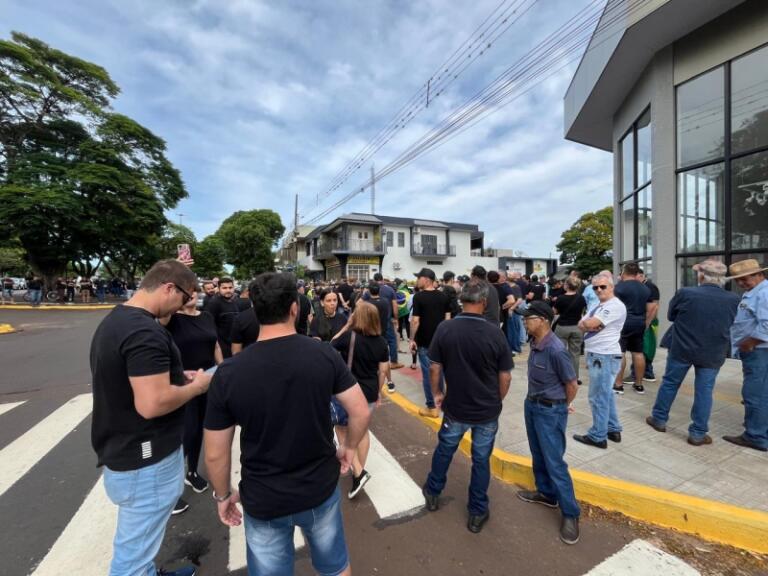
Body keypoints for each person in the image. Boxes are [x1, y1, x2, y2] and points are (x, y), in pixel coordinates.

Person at [203, 272, 370, 576]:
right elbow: (360, 411)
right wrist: (348, 448)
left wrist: (222, 496)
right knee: (335, 568)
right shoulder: (323, 354)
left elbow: (215, 452)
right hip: (318, 487)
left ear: (254, 309)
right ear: (295, 308)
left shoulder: (228, 373)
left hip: (263, 496)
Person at [90, 259, 211, 576]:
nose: (185, 306)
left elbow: (137, 384)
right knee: (131, 558)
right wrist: (196, 387)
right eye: (185, 298)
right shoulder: (145, 332)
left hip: (128, 452)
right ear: (170, 288)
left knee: (139, 544)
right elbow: (152, 403)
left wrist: (175, 377)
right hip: (145, 460)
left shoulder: (118, 321)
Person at [422, 279, 512, 534]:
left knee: (445, 450)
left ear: (463, 300)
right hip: (486, 410)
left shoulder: (446, 328)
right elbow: (505, 376)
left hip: (456, 407)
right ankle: (477, 510)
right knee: (481, 460)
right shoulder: (495, 332)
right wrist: (497, 399)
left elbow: (434, 366)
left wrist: (438, 393)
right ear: (484, 302)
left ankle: (433, 491)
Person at [645, 260, 739, 446]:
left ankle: (659, 419)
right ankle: (697, 433)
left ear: (702, 275)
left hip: (682, 348)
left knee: (670, 383)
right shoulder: (734, 298)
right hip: (713, 351)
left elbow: (671, 316)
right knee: (704, 391)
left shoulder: (686, 293)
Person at [516, 301, 581, 545]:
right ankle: (546, 493)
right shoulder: (535, 343)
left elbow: (571, 384)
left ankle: (571, 513)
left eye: (528, 318)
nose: (524, 321)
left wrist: (563, 405)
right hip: (531, 405)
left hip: (550, 410)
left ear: (543, 319)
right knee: (538, 454)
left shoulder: (555, 349)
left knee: (555, 462)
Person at [163, 287, 224, 514]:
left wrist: (223, 371)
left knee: (201, 429)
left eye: (193, 291)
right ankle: (171, 490)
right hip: (184, 381)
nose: (191, 295)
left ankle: (192, 472)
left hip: (209, 377)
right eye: (185, 291)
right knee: (185, 432)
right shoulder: (172, 319)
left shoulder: (206, 316)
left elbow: (215, 344)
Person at [331, 301, 391, 498]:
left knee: (341, 428)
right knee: (363, 431)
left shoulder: (349, 337)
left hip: (349, 391)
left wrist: (347, 326)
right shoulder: (382, 342)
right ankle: (359, 470)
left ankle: (357, 471)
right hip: (371, 391)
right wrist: (378, 392)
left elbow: (331, 344)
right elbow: (383, 371)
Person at [573, 274, 626, 449]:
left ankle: (598, 436)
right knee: (606, 394)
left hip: (604, 355)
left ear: (611, 287)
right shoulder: (599, 305)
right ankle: (612, 428)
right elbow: (582, 322)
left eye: (602, 287)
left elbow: (590, 323)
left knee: (598, 397)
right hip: (598, 355)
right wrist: (588, 324)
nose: (598, 290)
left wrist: (589, 324)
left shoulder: (615, 306)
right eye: (595, 287)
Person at [724, 259, 768, 452]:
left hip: (758, 351)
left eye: (744, 279)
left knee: (754, 394)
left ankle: (755, 435)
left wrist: (749, 343)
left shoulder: (764, 293)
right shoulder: (754, 292)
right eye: (738, 280)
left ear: (759, 275)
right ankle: (760, 429)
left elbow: (767, 324)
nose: (741, 283)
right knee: (761, 393)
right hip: (757, 351)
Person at [409, 268, 451, 418]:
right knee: (441, 373)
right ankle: (443, 402)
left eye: (418, 277)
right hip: (442, 341)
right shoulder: (444, 296)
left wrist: (412, 339)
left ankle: (432, 406)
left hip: (426, 343)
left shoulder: (419, 297)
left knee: (428, 374)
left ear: (426, 279)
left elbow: (415, 321)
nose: (416, 280)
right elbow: (448, 319)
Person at [613, 263, 652, 394]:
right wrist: (646, 323)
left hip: (623, 322)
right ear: (636, 274)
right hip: (639, 322)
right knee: (638, 352)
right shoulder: (645, 288)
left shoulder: (618, 288)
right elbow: (651, 308)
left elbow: (613, 307)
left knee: (620, 352)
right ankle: (639, 384)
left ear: (624, 272)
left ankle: (618, 385)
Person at [363, 272, 402, 369]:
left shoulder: (369, 291)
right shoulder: (390, 290)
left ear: (374, 280)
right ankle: (393, 362)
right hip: (386, 319)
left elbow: (360, 303)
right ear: (383, 279)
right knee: (391, 340)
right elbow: (395, 306)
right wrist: (396, 318)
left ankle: (373, 360)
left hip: (372, 320)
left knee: (372, 340)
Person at [553, 277, 587, 385]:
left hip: (562, 327)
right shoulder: (581, 298)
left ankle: (560, 377)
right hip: (577, 327)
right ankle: (574, 378)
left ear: (567, 285)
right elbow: (582, 311)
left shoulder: (560, 298)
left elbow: (555, 312)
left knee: (560, 353)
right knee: (575, 354)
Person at [206, 277, 240, 358]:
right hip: (222, 347)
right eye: (224, 288)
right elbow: (209, 325)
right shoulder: (214, 303)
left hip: (235, 344)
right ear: (218, 288)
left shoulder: (236, 301)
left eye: (230, 287)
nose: (228, 290)